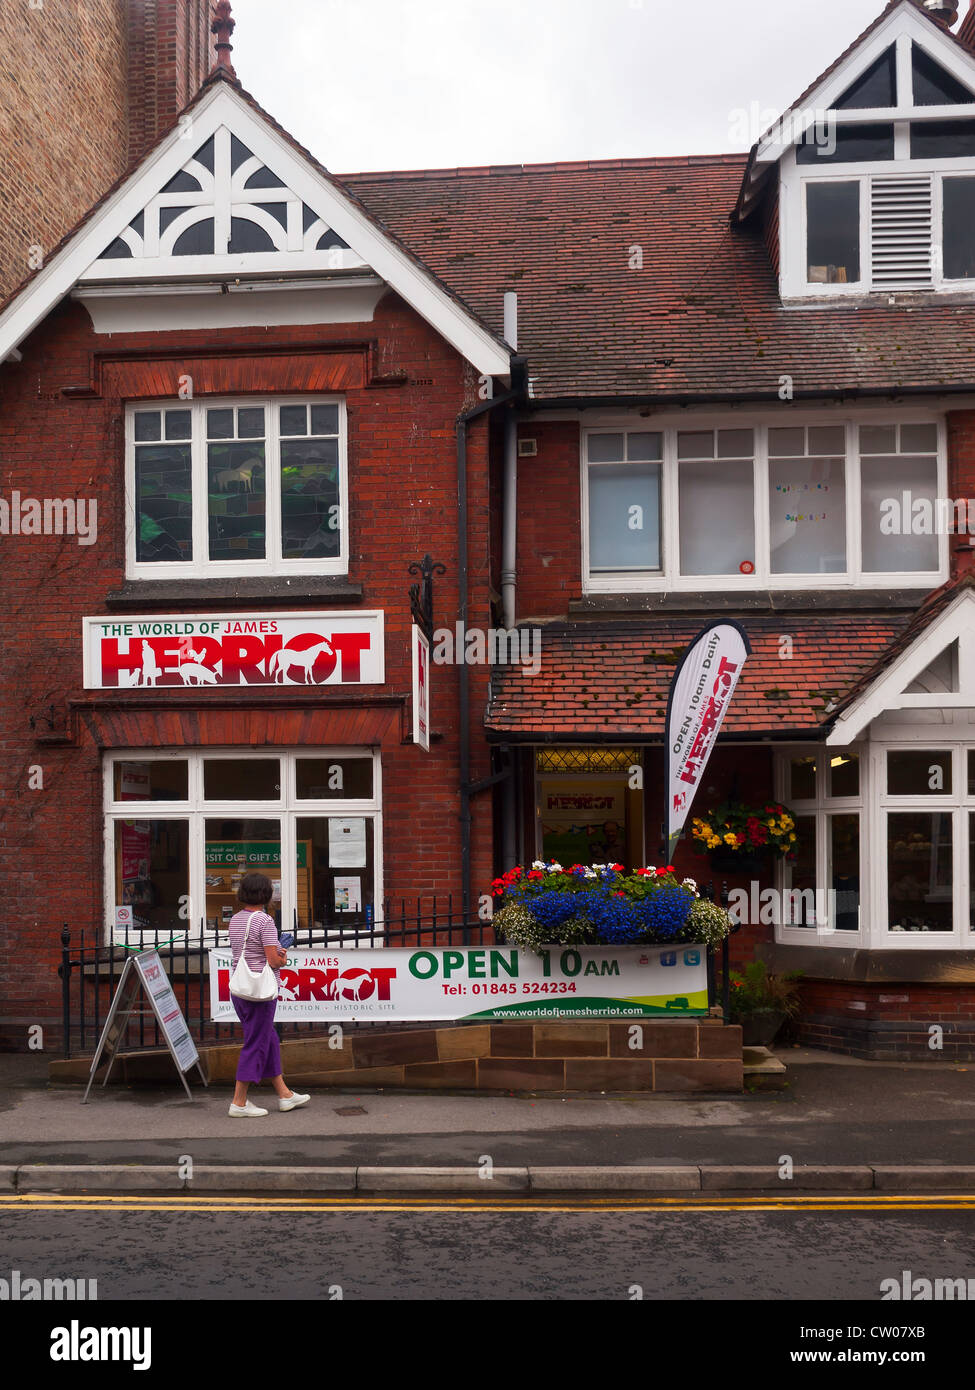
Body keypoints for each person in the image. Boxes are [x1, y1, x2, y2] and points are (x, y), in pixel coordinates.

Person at [226, 871, 310, 1118]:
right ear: (266, 894)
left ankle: (284, 1094)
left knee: (268, 1038)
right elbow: (274, 961)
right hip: (260, 993)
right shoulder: (265, 922)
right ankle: (239, 1102)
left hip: (241, 990)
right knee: (256, 1043)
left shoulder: (235, 919)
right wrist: (283, 952)